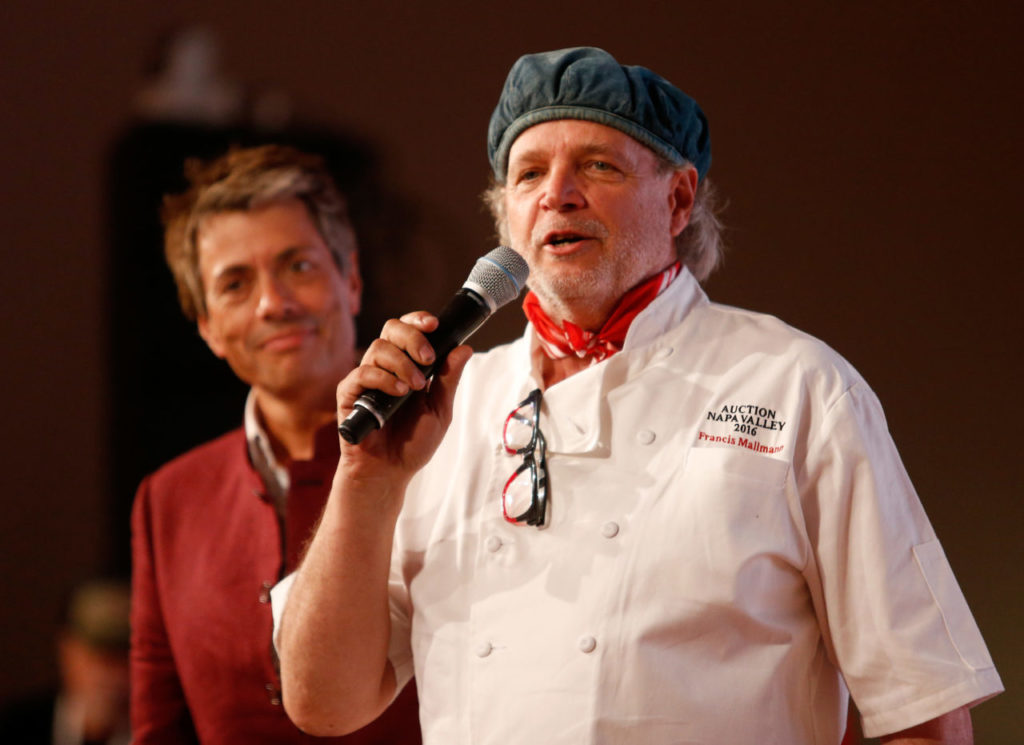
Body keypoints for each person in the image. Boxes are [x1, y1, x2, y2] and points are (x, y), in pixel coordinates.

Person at [272, 48, 1003, 744]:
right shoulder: (446, 407)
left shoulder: (796, 385)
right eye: (529, 173)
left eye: (598, 165)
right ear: (506, 219)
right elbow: (323, 703)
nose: (558, 193)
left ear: (679, 199)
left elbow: (924, 709)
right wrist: (366, 481)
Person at [129, 145, 421, 744]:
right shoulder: (169, 500)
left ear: (351, 279)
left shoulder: (442, 445)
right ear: (207, 326)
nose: (273, 304)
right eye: (235, 284)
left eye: (298, 266)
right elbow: (159, 728)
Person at [0, 578, 132, 745]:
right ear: (66, 651)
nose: (112, 674)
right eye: (98, 656)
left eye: (126, 657)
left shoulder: (159, 735)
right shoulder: (14, 728)